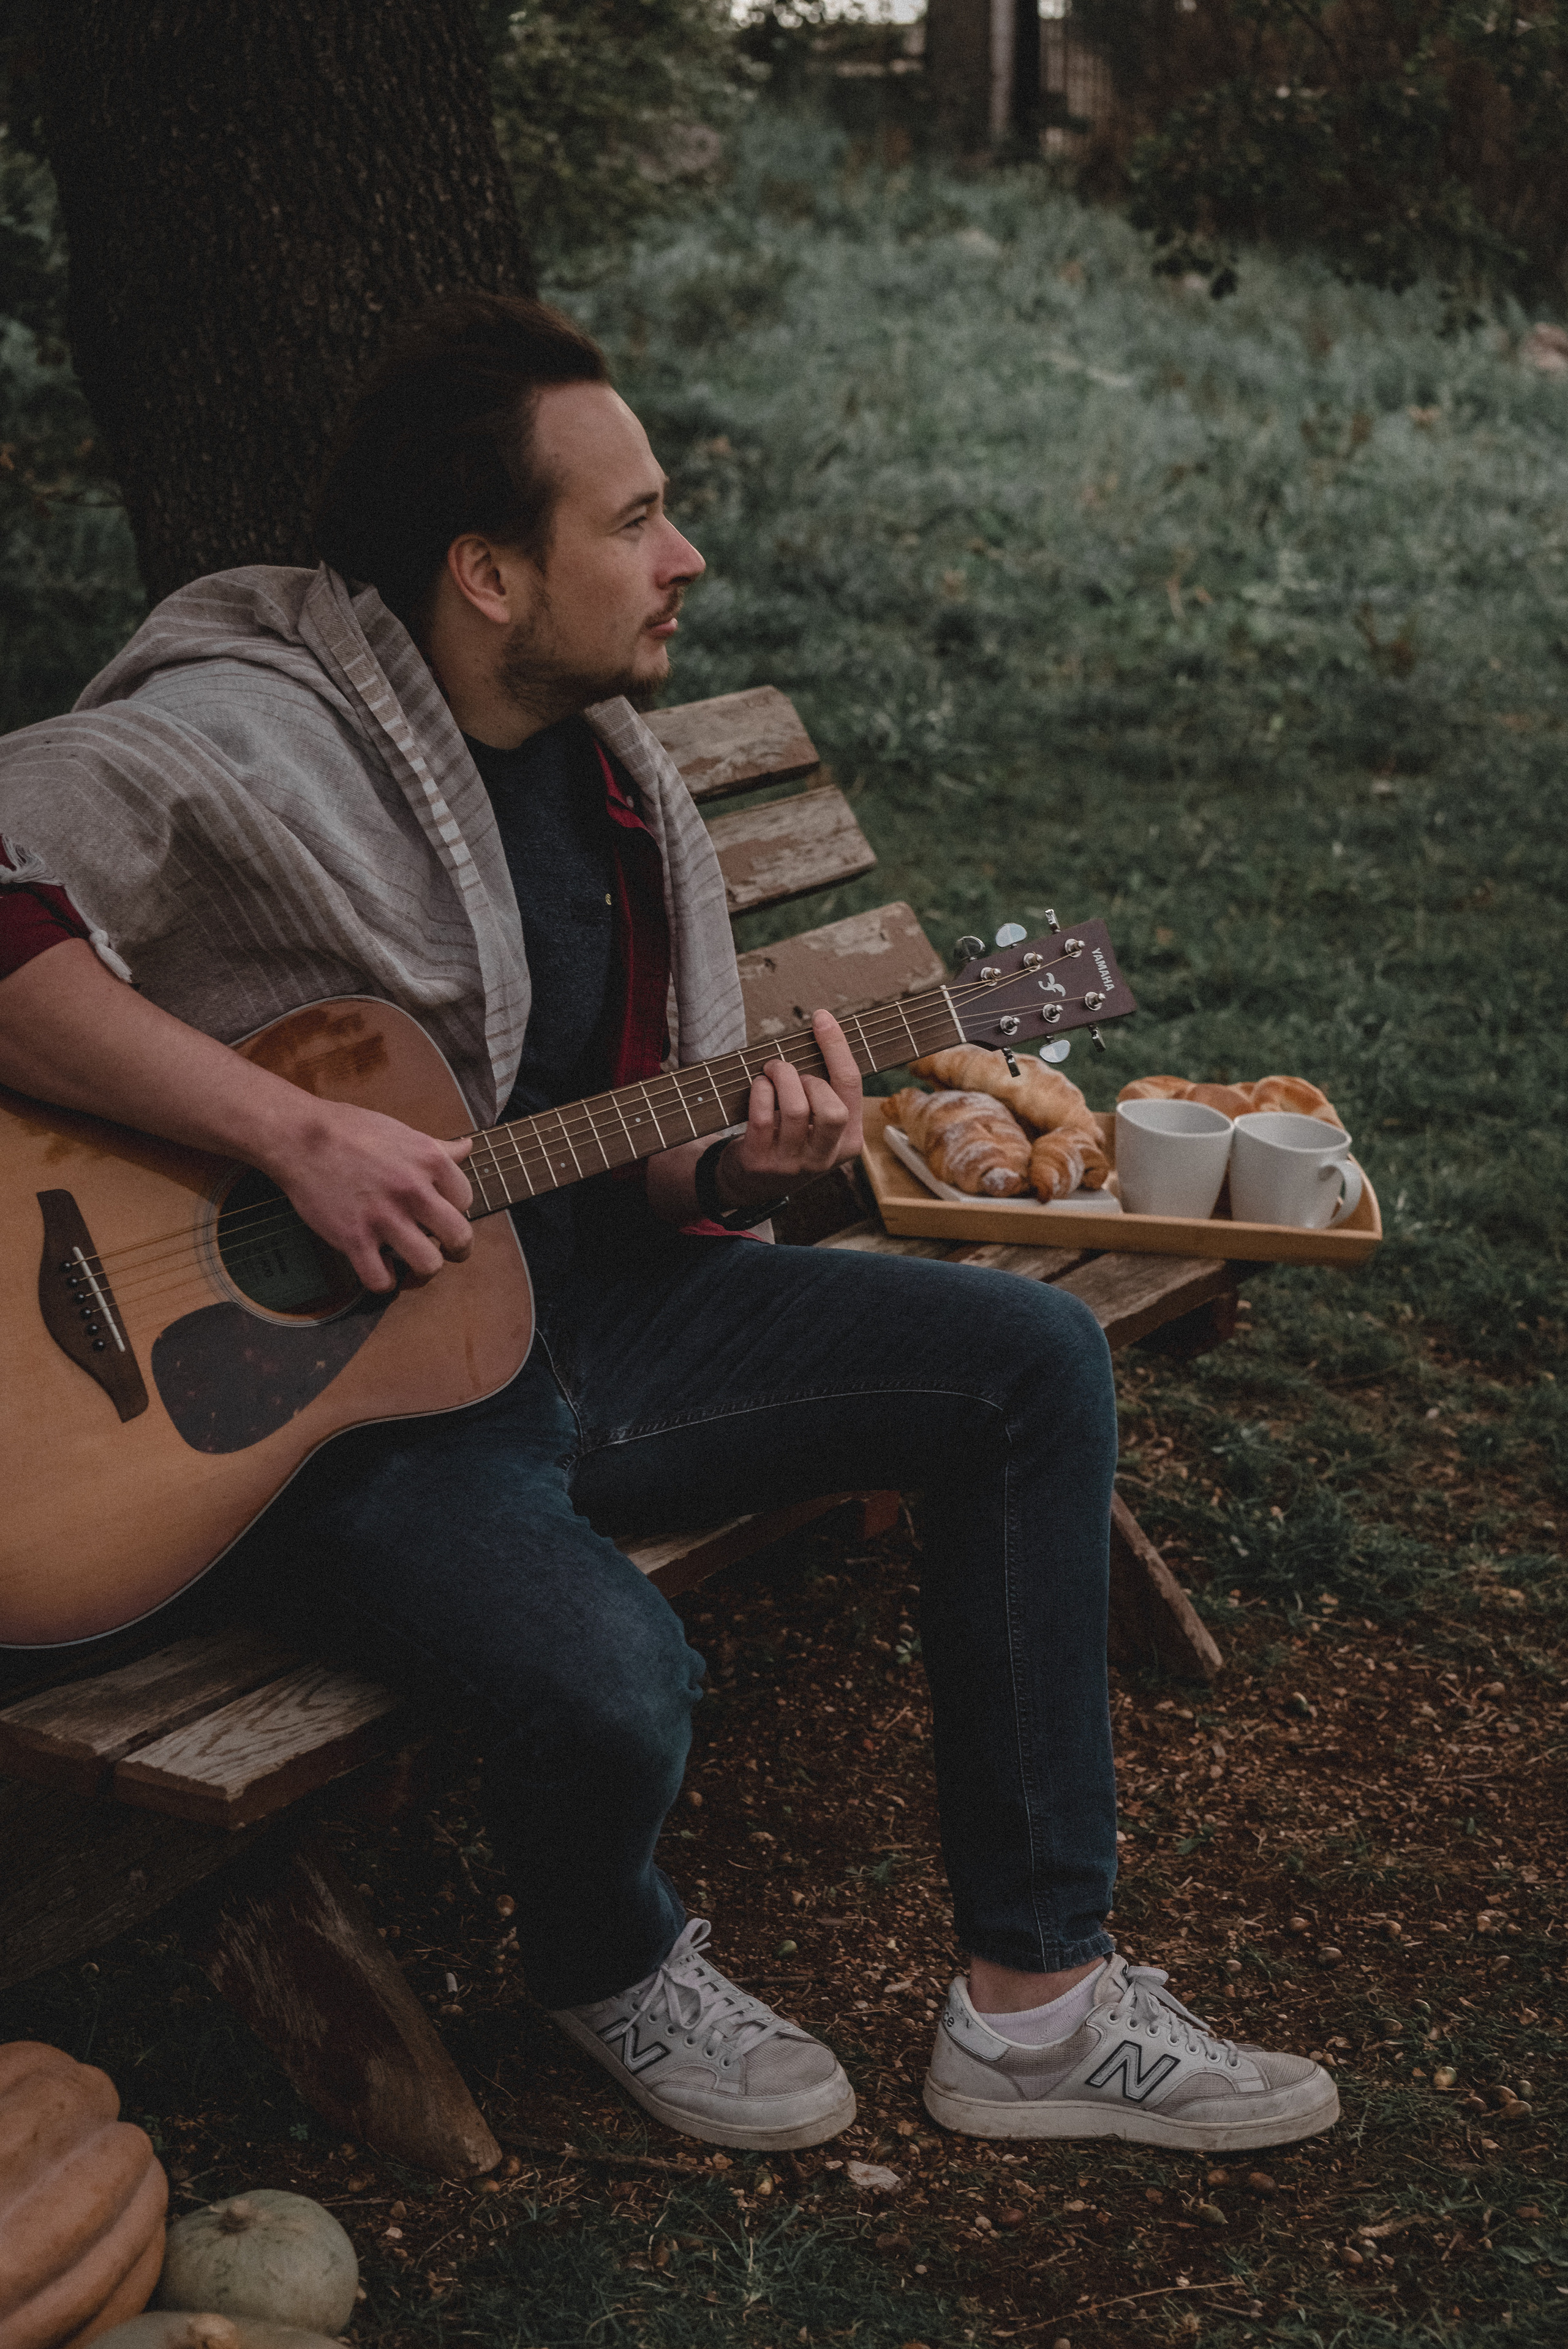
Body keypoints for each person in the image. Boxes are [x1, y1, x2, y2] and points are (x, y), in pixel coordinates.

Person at [0, 292, 1337, 2157]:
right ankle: (607, 1951)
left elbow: (640, 1146)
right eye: (632, 519)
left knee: (1027, 1362)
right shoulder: (247, 735)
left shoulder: (622, 785)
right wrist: (292, 1133)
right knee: (618, 1676)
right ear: (484, 569)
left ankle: (1038, 2005)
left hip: (604, 1313)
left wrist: (749, 1165)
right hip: (333, 1400)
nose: (683, 553)